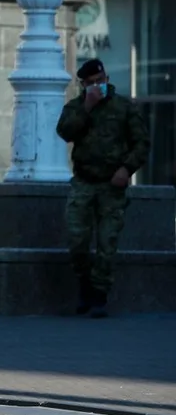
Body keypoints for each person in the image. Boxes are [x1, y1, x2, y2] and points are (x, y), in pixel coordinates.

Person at [56, 58, 150, 318]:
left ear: (107, 78)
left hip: (112, 185)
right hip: (84, 182)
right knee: (78, 240)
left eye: (101, 81)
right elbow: (65, 132)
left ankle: (99, 296)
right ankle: (85, 287)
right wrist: (88, 106)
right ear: (83, 85)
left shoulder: (124, 108)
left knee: (107, 242)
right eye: (91, 83)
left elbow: (141, 143)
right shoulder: (77, 107)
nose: (98, 86)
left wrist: (126, 169)